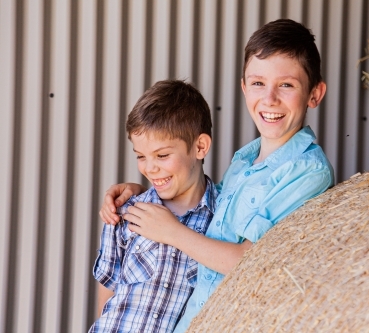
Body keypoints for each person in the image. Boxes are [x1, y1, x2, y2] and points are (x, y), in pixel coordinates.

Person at [99, 19, 335, 332]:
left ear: (315, 94)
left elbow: (252, 261)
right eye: (258, 83)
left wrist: (170, 232)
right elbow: (196, 201)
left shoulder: (308, 171)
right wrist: (144, 189)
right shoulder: (244, 160)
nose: (269, 99)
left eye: (286, 85)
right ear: (244, 87)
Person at [89, 80, 218, 333]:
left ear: (200, 147)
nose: (149, 168)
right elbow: (107, 294)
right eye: (140, 156)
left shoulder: (220, 219)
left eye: (162, 155)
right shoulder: (126, 213)